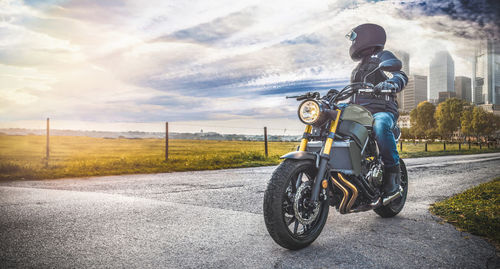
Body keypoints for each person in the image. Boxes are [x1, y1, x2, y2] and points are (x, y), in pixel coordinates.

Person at [345, 23, 408, 199]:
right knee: (329, 117)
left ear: (367, 37)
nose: (353, 42)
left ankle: (392, 178)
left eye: (354, 38)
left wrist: (392, 83)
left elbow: (399, 75)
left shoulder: (382, 57)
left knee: (380, 125)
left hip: (382, 110)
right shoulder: (357, 69)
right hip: (358, 113)